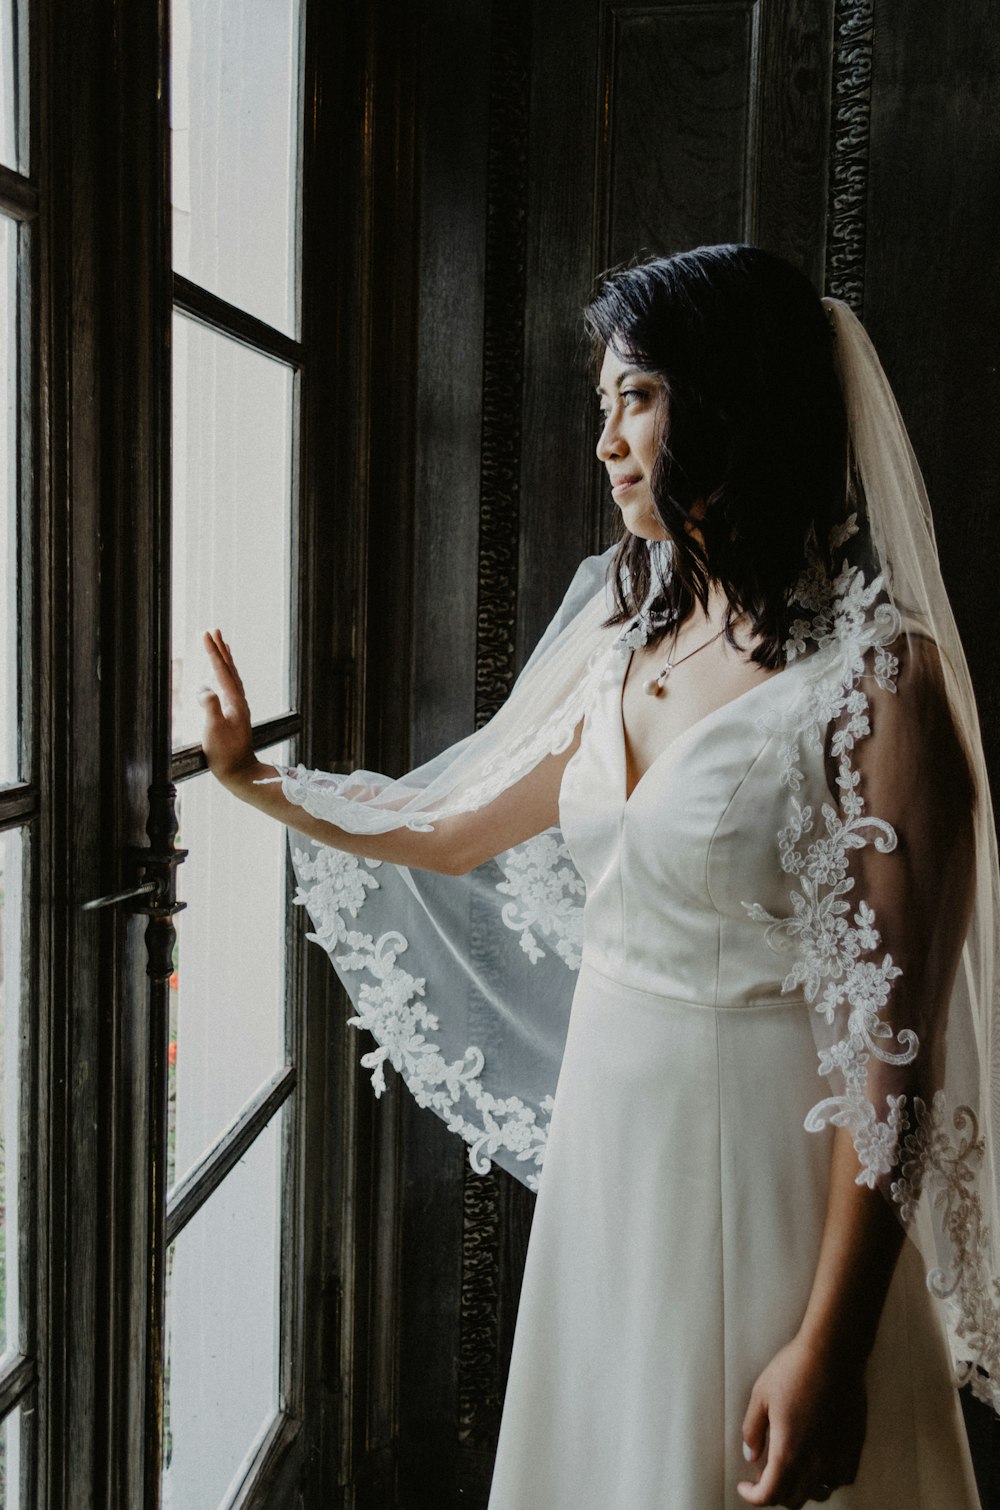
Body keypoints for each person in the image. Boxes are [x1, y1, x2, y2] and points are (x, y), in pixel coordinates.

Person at [199, 245, 998, 1509]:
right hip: (614, 1157)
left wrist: (832, 1345)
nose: (606, 442)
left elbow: (893, 1059)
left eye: (637, 399)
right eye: (602, 406)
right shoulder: (629, 635)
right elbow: (457, 825)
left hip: (769, 1181)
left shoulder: (878, 688)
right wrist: (265, 786)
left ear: (729, 399)